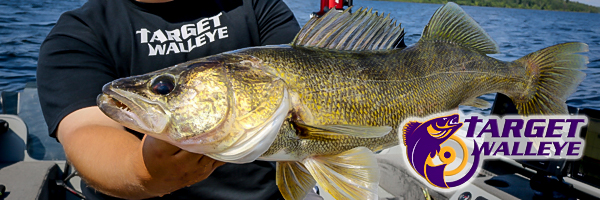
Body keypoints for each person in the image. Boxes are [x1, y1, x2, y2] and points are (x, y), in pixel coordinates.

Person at [36, 0, 300, 199]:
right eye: (164, 88)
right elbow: (86, 129)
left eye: (163, 88)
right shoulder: (79, 32)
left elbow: (301, 79)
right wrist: (143, 171)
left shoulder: (256, 5)